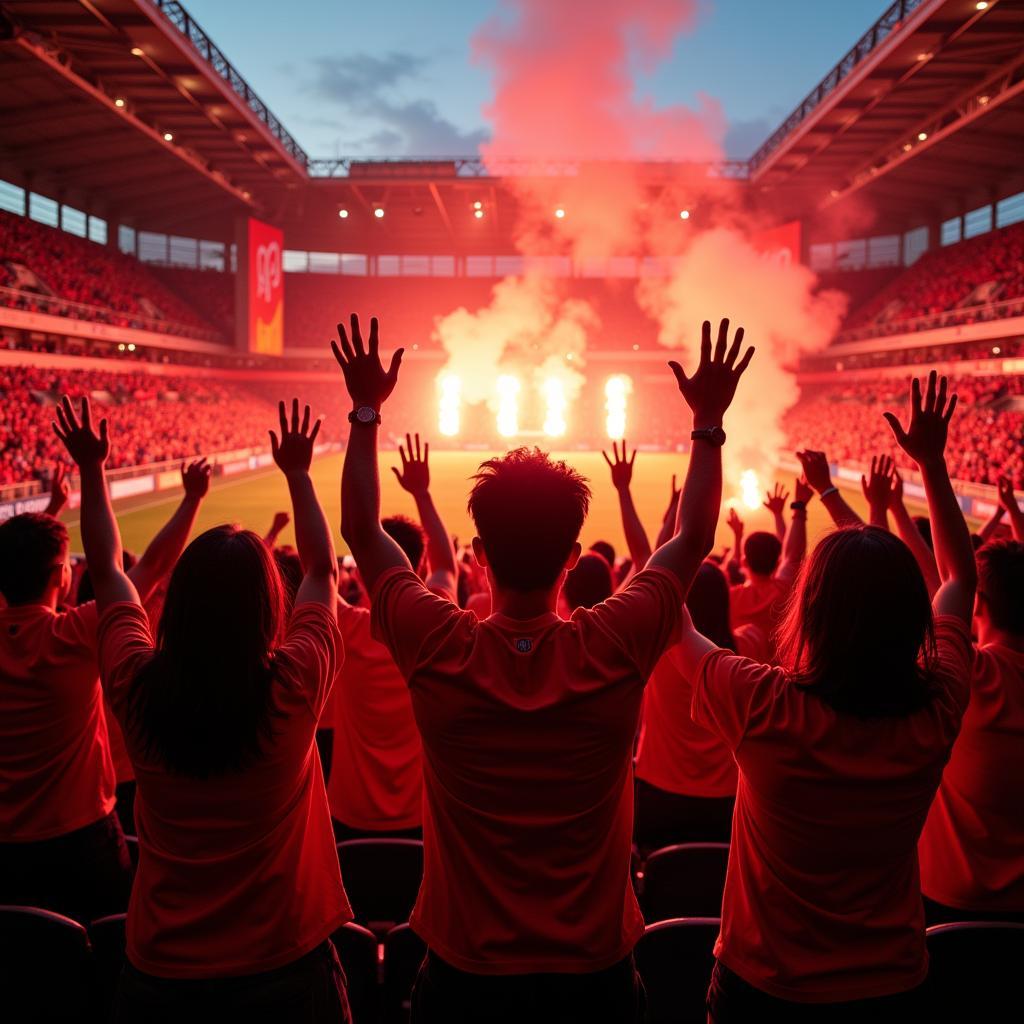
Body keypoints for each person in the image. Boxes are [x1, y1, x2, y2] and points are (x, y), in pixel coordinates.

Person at [334, 313, 753, 1023]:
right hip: (594, 973)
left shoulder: (439, 644)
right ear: (570, 558)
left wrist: (367, 412)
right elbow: (695, 539)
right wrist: (708, 423)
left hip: (465, 975)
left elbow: (360, 534)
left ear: (481, 553)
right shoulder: (613, 642)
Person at [675, 371, 976, 1020]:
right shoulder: (938, 708)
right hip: (893, 984)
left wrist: (707, 428)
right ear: (909, 619)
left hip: (764, 986)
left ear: (810, 611)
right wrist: (931, 467)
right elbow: (958, 581)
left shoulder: (762, 700)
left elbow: (669, 592)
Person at [53, 396, 352, 1020]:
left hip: (161, 972)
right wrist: (297, 473)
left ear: (180, 603)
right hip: (284, 965)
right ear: (269, 607)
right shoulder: (292, 689)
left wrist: (89, 470)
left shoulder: (135, 686)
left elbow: (109, 568)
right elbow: (322, 568)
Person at [0, 458, 210, 922]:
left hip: (6, 846)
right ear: (62, 576)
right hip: (81, 835)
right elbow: (150, 565)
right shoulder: (73, 637)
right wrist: (192, 497)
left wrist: (53, 507)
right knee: (103, 949)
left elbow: (17, 562)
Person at [634, 479, 809, 851]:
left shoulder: (655, 650)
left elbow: (647, 570)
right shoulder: (749, 645)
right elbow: (792, 563)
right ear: (722, 600)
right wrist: (794, 512)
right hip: (726, 799)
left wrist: (674, 512)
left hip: (657, 792)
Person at [329, 432, 457, 841]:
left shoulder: (345, 627)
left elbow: (318, 571)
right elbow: (446, 565)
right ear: (417, 567)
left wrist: (299, 479)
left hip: (349, 818)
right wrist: (422, 493)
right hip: (423, 817)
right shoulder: (435, 621)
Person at [918, 527, 1024, 924]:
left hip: (944, 903)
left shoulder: (968, 673)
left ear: (978, 606)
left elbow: (949, 584)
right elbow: (949, 584)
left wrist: (931, 468)